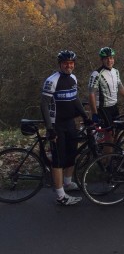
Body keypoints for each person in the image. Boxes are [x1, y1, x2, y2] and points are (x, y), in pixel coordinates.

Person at [40, 50, 92, 205]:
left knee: (71, 153)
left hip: (70, 122)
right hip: (57, 125)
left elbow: (75, 98)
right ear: (60, 64)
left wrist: (84, 116)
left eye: (71, 63)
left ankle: (68, 183)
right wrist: (50, 128)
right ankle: (60, 195)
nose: (69, 66)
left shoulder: (73, 78)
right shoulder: (52, 80)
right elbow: (43, 104)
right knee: (58, 159)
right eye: (65, 63)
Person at [87, 47, 124, 144]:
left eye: (111, 58)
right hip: (103, 108)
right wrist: (94, 113)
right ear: (102, 60)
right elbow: (91, 94)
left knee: (116, 132)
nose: (109, 60)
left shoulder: (116, 71)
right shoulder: (97, 74)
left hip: (114, 106)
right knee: (109, 135)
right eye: (106, 58)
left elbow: (120, 87)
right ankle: (106, 158)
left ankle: (112, 153)